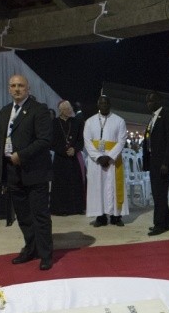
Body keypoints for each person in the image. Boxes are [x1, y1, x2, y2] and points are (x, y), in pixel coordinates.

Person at [0, 74, 54, 270]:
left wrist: (21, 155)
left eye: (20, 85)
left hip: (34, 172)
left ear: (28, 88)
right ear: (8, 89)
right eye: (13, 85)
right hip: (13, 172)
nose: (16, 89)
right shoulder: (5, 112)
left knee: (40, 216)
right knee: (23, 216)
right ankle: (30, 249)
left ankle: (46, 254)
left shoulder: (39, 110)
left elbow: (45, 140)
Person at [84, 94, 128, 227]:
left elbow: (121, 141)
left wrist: (109, 157)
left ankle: (116, 216)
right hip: (96, 161)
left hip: (113, 161)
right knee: (98, 188)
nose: (104, 105)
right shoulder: (90, 121)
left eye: (106, 103)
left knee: (114, 187)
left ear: (110, 105)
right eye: (101, 103)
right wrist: (98, 157)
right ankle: (100, 216)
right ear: (98, 105)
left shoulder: (119, 121)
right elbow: (87, 141)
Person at [143, 91, 169, 236]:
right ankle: (166, 223)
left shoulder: (167, 115)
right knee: (158, 194)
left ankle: (159, 225)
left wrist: (166, 162)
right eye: (147, 101)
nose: (148, 104)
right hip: (153, 161)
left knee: (160, 194)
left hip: (162, 162)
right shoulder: (153, 119)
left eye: (151, 101)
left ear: (159, 101)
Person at [50, 100, 86, 216]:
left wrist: (74, 149)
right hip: (60, 158)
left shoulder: (77, 122)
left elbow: (81, 140)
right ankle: (61, 209)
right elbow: (51, 142)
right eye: (66, 109)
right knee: (61, 184)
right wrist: (63, 151)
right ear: (60, 111)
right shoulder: (54, 123)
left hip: (74, 158)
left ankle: (77, 208)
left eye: (70, 108)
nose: (70, 110)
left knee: (75, 182)